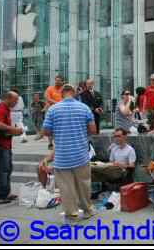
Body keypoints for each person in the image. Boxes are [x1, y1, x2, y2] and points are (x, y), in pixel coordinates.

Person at [41, 84, 97, 223]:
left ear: (62, 93)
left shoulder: (53, 109)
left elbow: (46, 131)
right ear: (73, 93)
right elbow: (93, 130)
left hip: (62, 157)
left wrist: (59, 131)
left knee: (66, 188)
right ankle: (88, 210)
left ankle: (72, 214)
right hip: (81, 155)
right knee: (84, 184)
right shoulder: (84, 108)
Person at [0, 91, 24, 204]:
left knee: (7, 169)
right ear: (8, 98)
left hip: (6, 144)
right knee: (3, 170)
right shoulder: (0, 108)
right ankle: (0, 195)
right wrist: (14, 130)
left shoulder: (7, 109)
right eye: (15, 99)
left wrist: (13, 131)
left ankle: (5, 193)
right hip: (1, 146)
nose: (17, 102)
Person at [44, 75, 65, 149]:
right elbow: (48, 99)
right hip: (51, 111)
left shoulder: (64, 89)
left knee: (59, 127)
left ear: (62, 82)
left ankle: (58, 143)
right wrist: (58, 103)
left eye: (59, 81)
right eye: (56, 80)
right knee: (50, 127)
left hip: (61, 112)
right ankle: (50, 143)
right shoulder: (50, 89)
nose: (57, 82)